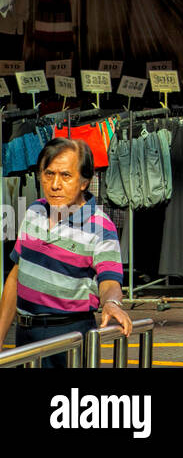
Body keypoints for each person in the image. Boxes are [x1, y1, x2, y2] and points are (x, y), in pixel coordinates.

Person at [0, 139, 131, 368]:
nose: (55, 185)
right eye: (48, 174)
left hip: (69, 336)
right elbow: (17, 274)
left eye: (66, 176)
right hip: (25, 335)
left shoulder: (100, 226)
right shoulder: (34, 211)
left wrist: (111, 303)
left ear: (84, 181)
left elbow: (110, 280)